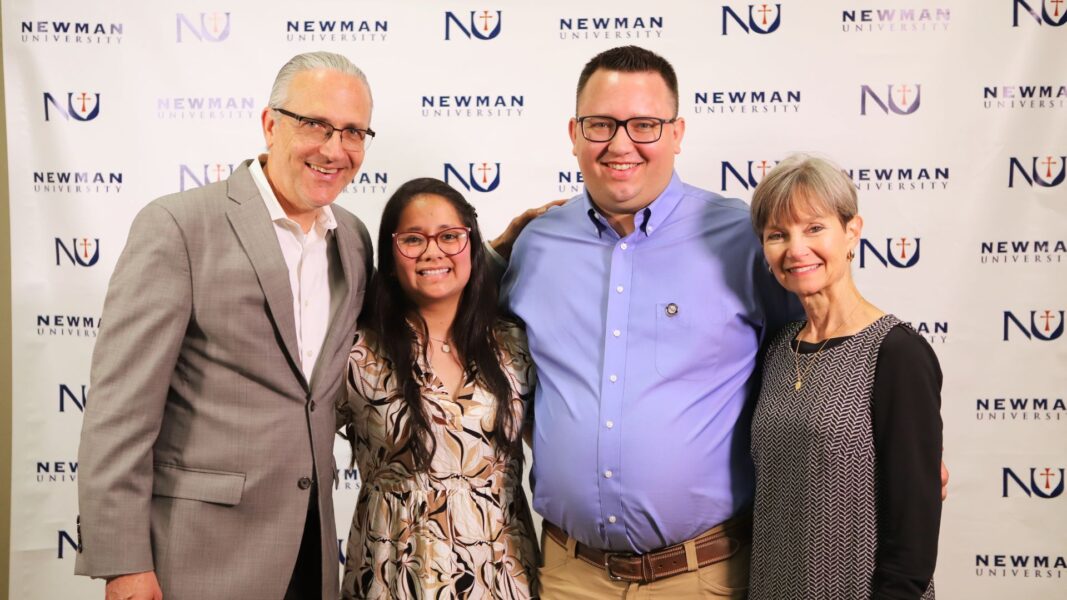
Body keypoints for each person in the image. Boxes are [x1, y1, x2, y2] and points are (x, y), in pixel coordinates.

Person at [499, 45, 800, 599]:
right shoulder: (535, 246)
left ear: (678, 132)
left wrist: (891, 448)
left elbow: (820, 355)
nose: (620, 144)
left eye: (644, 125)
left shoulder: (743, 240)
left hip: (703, 577)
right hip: (567, 575)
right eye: (600, 124)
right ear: (573, 132)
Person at [75, 51, 375, 600]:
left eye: (353, 132)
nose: (335, 149)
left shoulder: (353, 238)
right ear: (270, 124)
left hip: (312, 549)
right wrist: (122, 563)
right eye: (316, 125)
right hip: (197, 556)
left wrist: (499, 251)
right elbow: (119, 413)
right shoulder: (179, 227)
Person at [747, 154, 942, 599]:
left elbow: (912, 535)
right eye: (778, 235)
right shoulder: (777, 350)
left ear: (852, 231)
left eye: (814, 228)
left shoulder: (896, 352)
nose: (796, 249)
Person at [337, 178, 539, 599]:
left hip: (503, 578)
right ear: (391, 257)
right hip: (394, 578)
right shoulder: (355, 351)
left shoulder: (514, 345)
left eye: (450, 237)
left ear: (472, 245)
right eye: (413, 239)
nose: (433, 252)